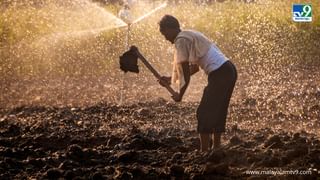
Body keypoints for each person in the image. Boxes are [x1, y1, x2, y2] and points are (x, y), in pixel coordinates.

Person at [158, 15, 237, 152]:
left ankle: (204, 151)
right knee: (218, 110)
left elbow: (186, 76)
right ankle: (217, 147)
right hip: (229, 70)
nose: (165, 37)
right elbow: (194, 68)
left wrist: (180, 95)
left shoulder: (181, 40)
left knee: (203, 112)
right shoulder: (190, 34)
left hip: (219, 73)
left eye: (164, 33)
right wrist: (171, 79)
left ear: (171, 29)